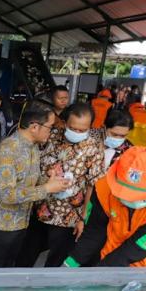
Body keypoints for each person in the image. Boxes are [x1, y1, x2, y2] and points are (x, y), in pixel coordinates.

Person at [63, 146, 146, 268]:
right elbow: (95, 231)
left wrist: (102, 271)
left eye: (137, 195)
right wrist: (71, 262)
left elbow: (136, 248)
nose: (129, 199)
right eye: (124, 193)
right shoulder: (103, 189)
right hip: (109, 256)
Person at [0, 101, 72, 267]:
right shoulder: (8, 150)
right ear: (34, 126)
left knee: (9, 270)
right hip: (1, 227)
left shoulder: (33, 147)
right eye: (49, 126)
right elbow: (8, 195)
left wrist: (50, 181)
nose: (51, 131)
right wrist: (46, 188)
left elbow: (30, 182)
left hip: (21, 223)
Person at [28, 103, 105, 267]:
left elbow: (92, 185)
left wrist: (83, 218)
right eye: (73, 128)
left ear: (90, 127)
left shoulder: (94, 148)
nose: (77, 132)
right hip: (38, 206)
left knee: (55, 261)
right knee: (26, 253)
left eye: (82, 130)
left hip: (68, 217)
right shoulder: (51, 135)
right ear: (64, 123)